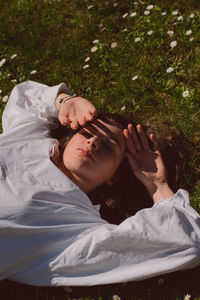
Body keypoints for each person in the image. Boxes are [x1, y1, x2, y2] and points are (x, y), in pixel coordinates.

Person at [0, 80, 199, 286]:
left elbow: (185, 240)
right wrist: (65, 101)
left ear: (113, 176)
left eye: (108, 147)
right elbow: (27, 98)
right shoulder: (31, 137)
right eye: (87, 133)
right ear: (70, 137)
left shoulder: (75, 225)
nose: (93, 142)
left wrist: (157, 184)